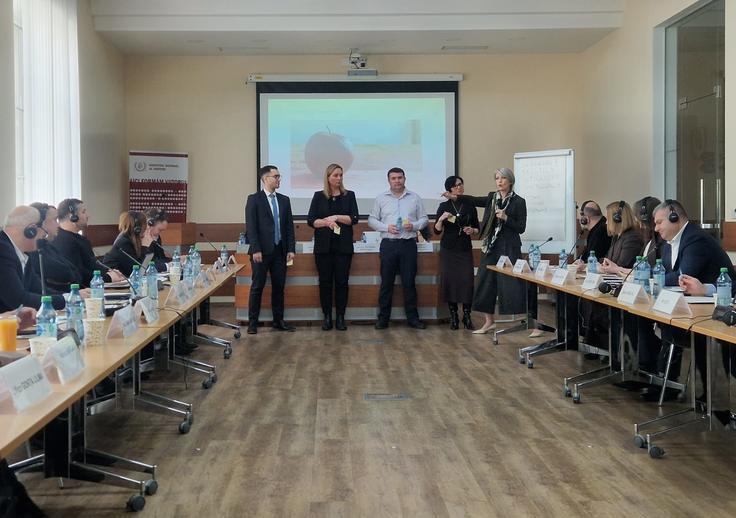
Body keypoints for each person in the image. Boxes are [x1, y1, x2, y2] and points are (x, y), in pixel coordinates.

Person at [444, 167, 527, 334]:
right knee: (484, 282)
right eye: (497, 178)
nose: (499, 181)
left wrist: (506, 218)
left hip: (509, 247)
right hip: (491, 246)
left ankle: (529, 322)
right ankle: (489, 322)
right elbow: (474, 200)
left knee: (512, 284)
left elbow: (521, 227)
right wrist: (456, 197)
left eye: (503, 178)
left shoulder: (519, 201)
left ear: (510, 180)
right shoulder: (492, 197)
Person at [368, 167, 429, 330]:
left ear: (405, 179)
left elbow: (424, 219)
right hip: (388, 244)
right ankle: (383, 319)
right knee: (386, 283)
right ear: (389, 180)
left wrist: (414, 226)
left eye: (400, 178)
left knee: (409, 283)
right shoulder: (381, 198)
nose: (397, 181)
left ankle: (413, 319)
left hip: (408, 244)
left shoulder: (414, 197)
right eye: (393, 178)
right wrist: (386, 227)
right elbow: (372, 220)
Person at [306, 163, 359, 331]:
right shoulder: (318, 196)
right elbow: (311, 220)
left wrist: (336, 217)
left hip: (343, 248)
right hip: (323, 249)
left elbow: (354, 218)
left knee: (342, 282)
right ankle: (327, 317)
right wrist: (326, 222)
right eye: (335, 175)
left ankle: (341, 317)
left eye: (341, 175)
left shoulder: (349, 195)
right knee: (325, 283)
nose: (339, 178)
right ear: (328, 177)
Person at [245, 165, 296, 334]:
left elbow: (289, 227)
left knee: (279, 287)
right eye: (276, 176)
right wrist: (255, 249)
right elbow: (251, 227)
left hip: (280, 251)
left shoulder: (284, 200)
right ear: (265, 179)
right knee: (257, 287)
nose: (279, 179)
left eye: (279, 176)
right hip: (261, 252)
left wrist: (291, 249)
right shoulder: (254, 199)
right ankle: (253, 323)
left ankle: (278, 321)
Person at [434, 176, 479, 330]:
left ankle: (467, 315)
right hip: (449, 249)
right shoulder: (444, 206)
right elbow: (436, 230)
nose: (460, 187)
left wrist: (472, 230)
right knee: (450, 281)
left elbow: (477, 228)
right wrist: (441, 219)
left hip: (464, 248)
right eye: (456, 185)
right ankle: (453, 316)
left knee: (467, 281)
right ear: (450, 189)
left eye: (461, 184)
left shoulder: (469, 205)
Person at [0, 206, 66, 312]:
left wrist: (69, 296)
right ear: (31, 230)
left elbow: (39, 289)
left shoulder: (24, 253)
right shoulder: (2, 250)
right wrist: (64, 300)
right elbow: (18, 300)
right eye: (43, 230)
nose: (44, 235)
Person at [54, 198, 125, 286]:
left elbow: (92, 265)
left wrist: (109, 271)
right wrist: (108, 277)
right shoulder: (62, 241)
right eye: (83, 212)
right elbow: (79, 274)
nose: (87, 216)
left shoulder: (81, 239)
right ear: (72, 216)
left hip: (94, 287)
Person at [26, 202, 82, 292]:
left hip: (65, 296)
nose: (58, 225)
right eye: (55, 220)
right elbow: (66, 273)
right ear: (40, 223)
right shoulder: (33, 252)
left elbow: (76, 273)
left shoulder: (47, 246)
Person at [102, 211, 153, 277]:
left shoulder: (135, 240)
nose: (148, 227)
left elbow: (148, 264)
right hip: (113, 280)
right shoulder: (124, 243)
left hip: (124, 279)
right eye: (145, 224)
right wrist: (145, 247)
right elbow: (137, 270)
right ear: (137, 229)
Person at [572, 200, 611, 270]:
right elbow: (586, 254)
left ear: (586, 219)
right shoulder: (596, 229)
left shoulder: (600, 231)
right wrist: (578, 261)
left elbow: (593, 257)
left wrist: (582, 264)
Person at [144, 207, 170, 272]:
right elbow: (147, 264)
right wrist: (168, 265)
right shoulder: (141, 241)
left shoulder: (157, 238)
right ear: (149, 224)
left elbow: (161, 259)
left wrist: (176, 260)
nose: (161, 233)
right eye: (160, 230)